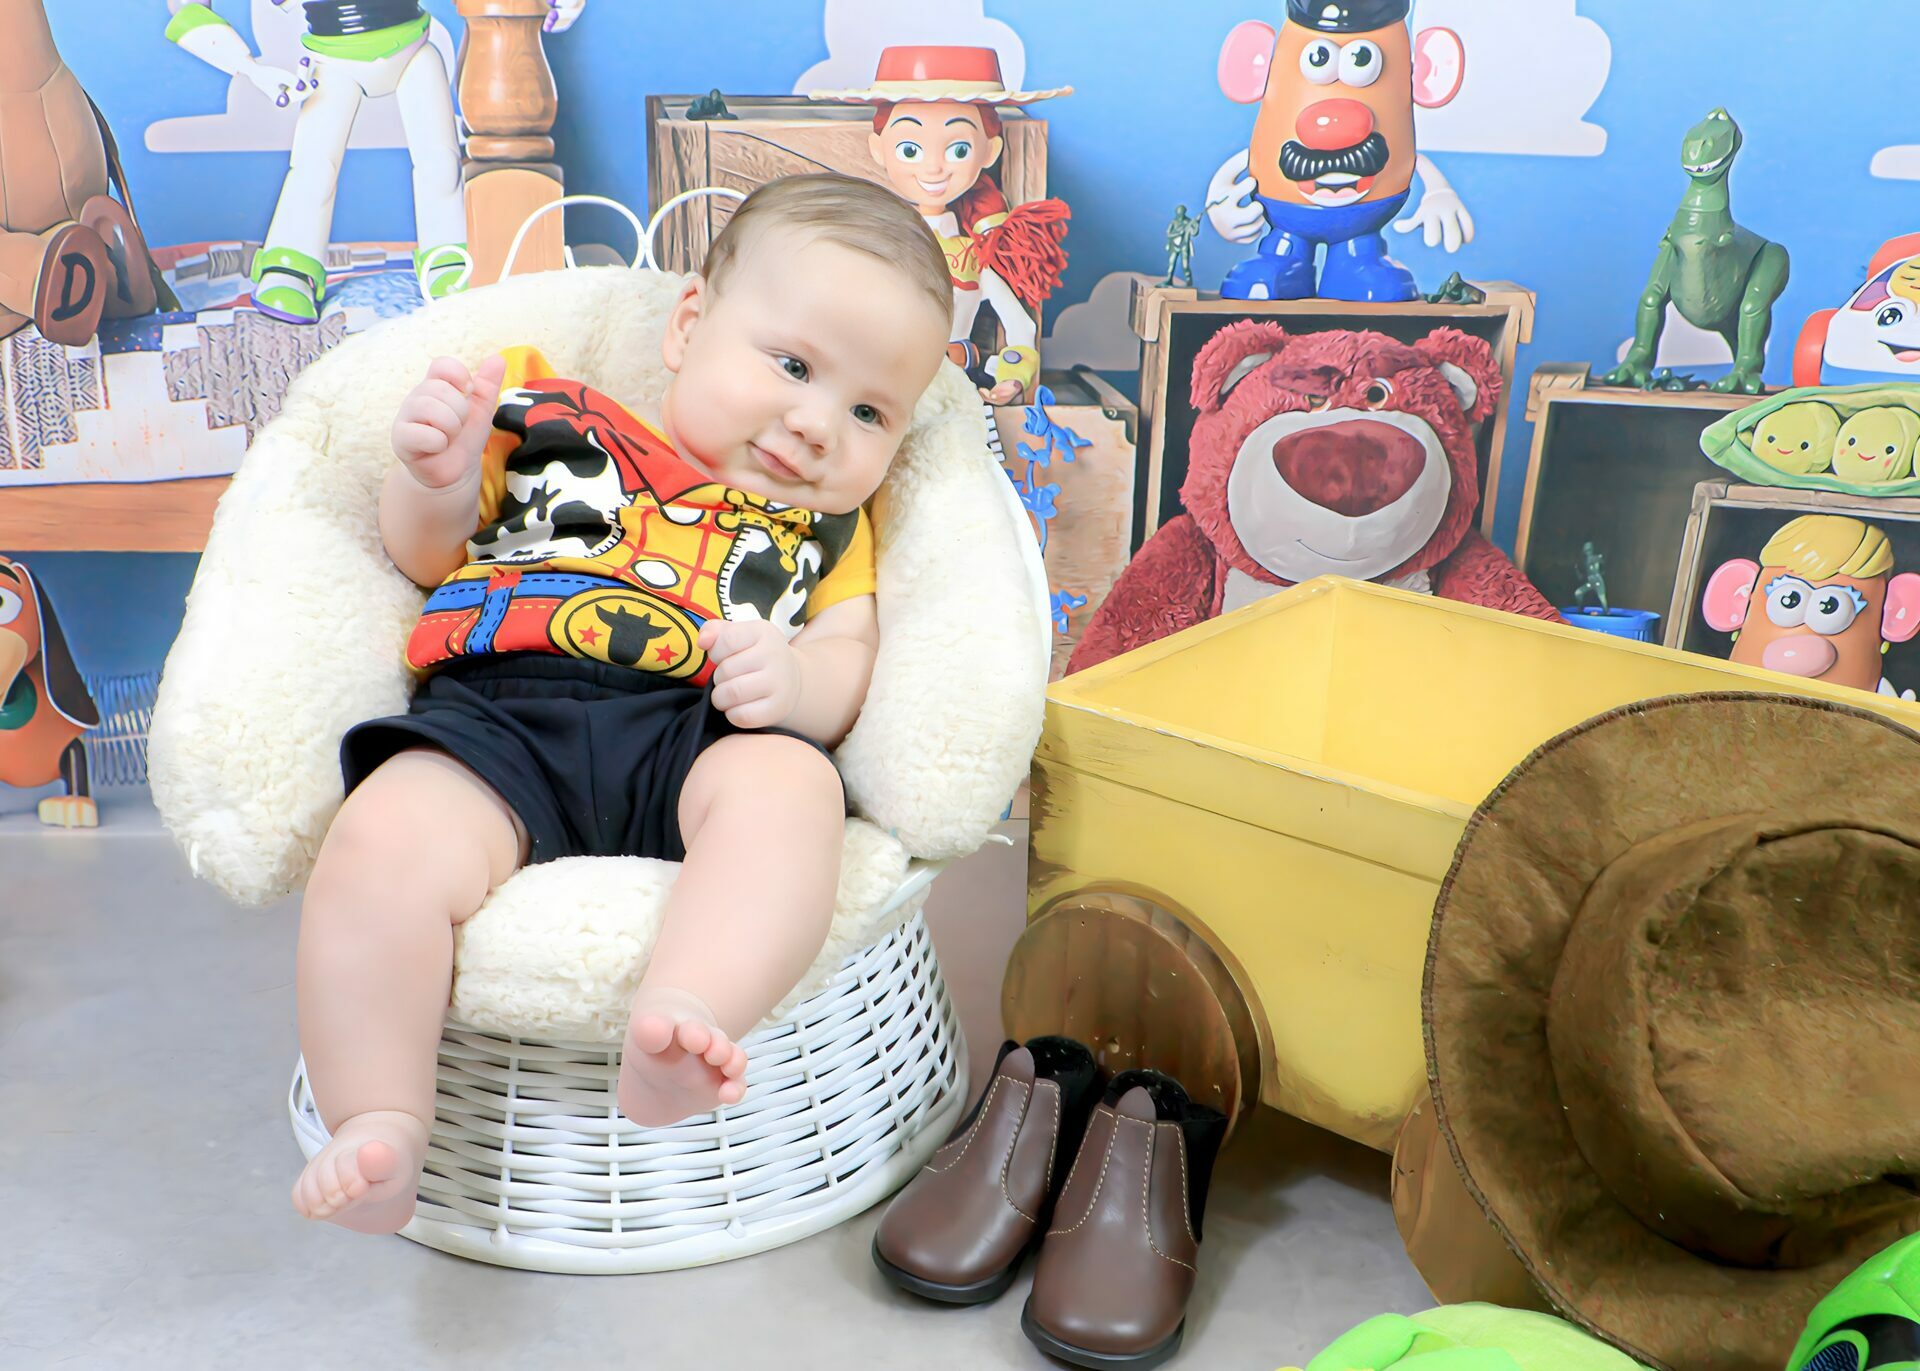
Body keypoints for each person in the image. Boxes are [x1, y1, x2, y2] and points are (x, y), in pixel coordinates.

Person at [288, 173, 954, 1233]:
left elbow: (848, 655)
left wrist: (795, 686)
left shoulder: (827, 530)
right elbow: (421, 555)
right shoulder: (548, 415)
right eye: (792, 366)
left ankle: (686, 1011)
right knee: (378, 844)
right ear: (689, 326)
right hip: (498, 717)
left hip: (699, 732)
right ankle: (379, 1118)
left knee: (794, 793)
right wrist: (434, 475)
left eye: (869, 411)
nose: (817, 424)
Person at [814, 46, 1071, 404]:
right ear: (878, 149)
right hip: (876, 389)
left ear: (990, 152)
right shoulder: (874, 242)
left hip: (951, 390)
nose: (934, 168)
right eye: (910, 150)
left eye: (958, 150)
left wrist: (1011, 378)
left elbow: (1020, 328)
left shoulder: (972, 257)